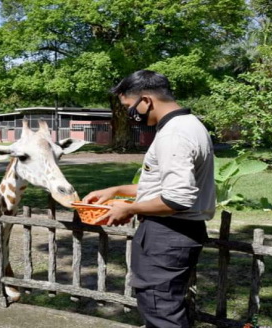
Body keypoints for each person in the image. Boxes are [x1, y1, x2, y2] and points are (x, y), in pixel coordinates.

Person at [83, 70, 216, 328]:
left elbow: (177, 198)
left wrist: (129, 209)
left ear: (146, 100)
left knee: (160, 309)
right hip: (175, 232)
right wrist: (116, 191)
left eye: (128, 107)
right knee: (166, 305)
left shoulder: (174, 135)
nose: (129, 115)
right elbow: (165, 186)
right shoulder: (188, 124)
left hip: (169, 233)